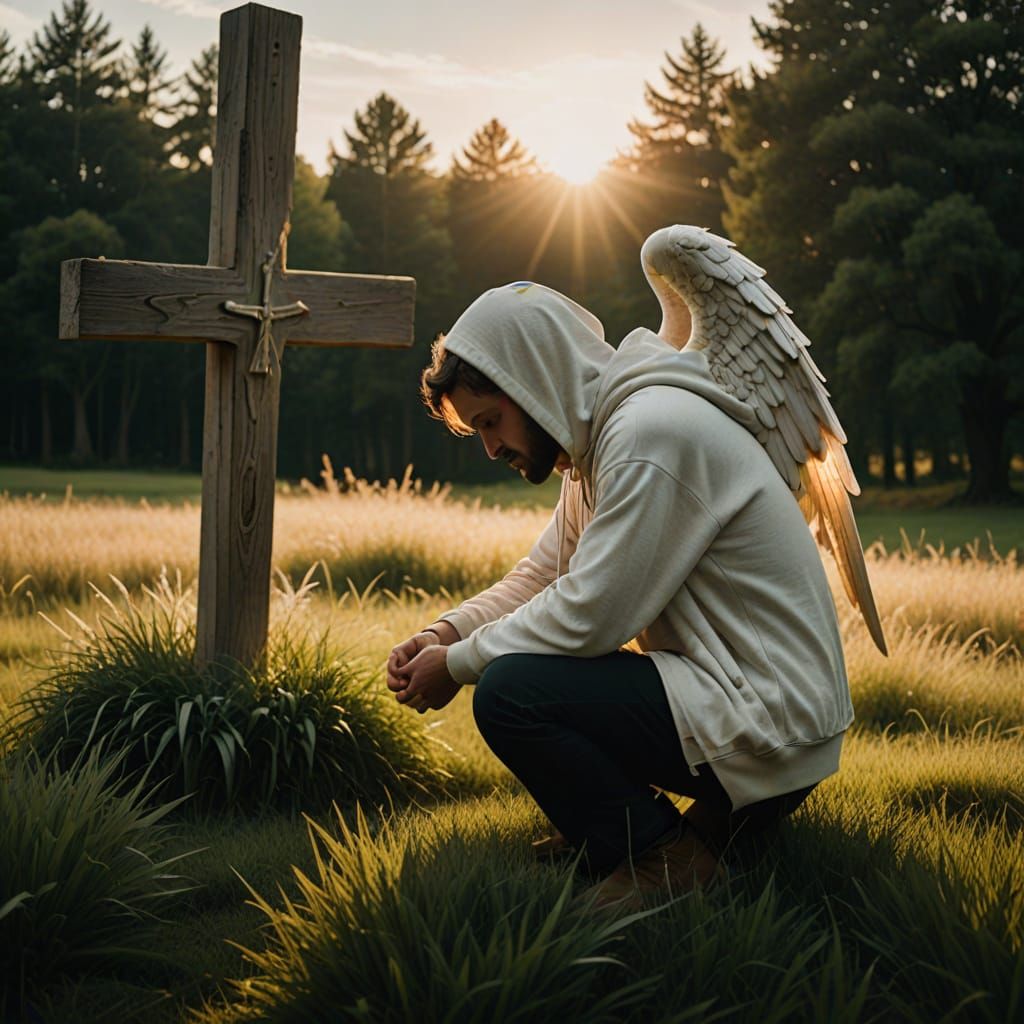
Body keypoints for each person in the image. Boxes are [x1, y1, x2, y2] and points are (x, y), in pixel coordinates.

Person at [386, 281, 851, 909]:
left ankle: (666, 860)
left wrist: (459, 663)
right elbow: (543, 575)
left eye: (491, 422)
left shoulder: (647, 434)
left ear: (534, 381)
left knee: (511, 693)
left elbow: (591, 613)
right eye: (479, 432)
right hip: (748, 700)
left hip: (771, 716)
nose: (491, 448)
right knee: (529, 672)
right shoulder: (596, 445)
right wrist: (446, 633)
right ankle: (645, 831)